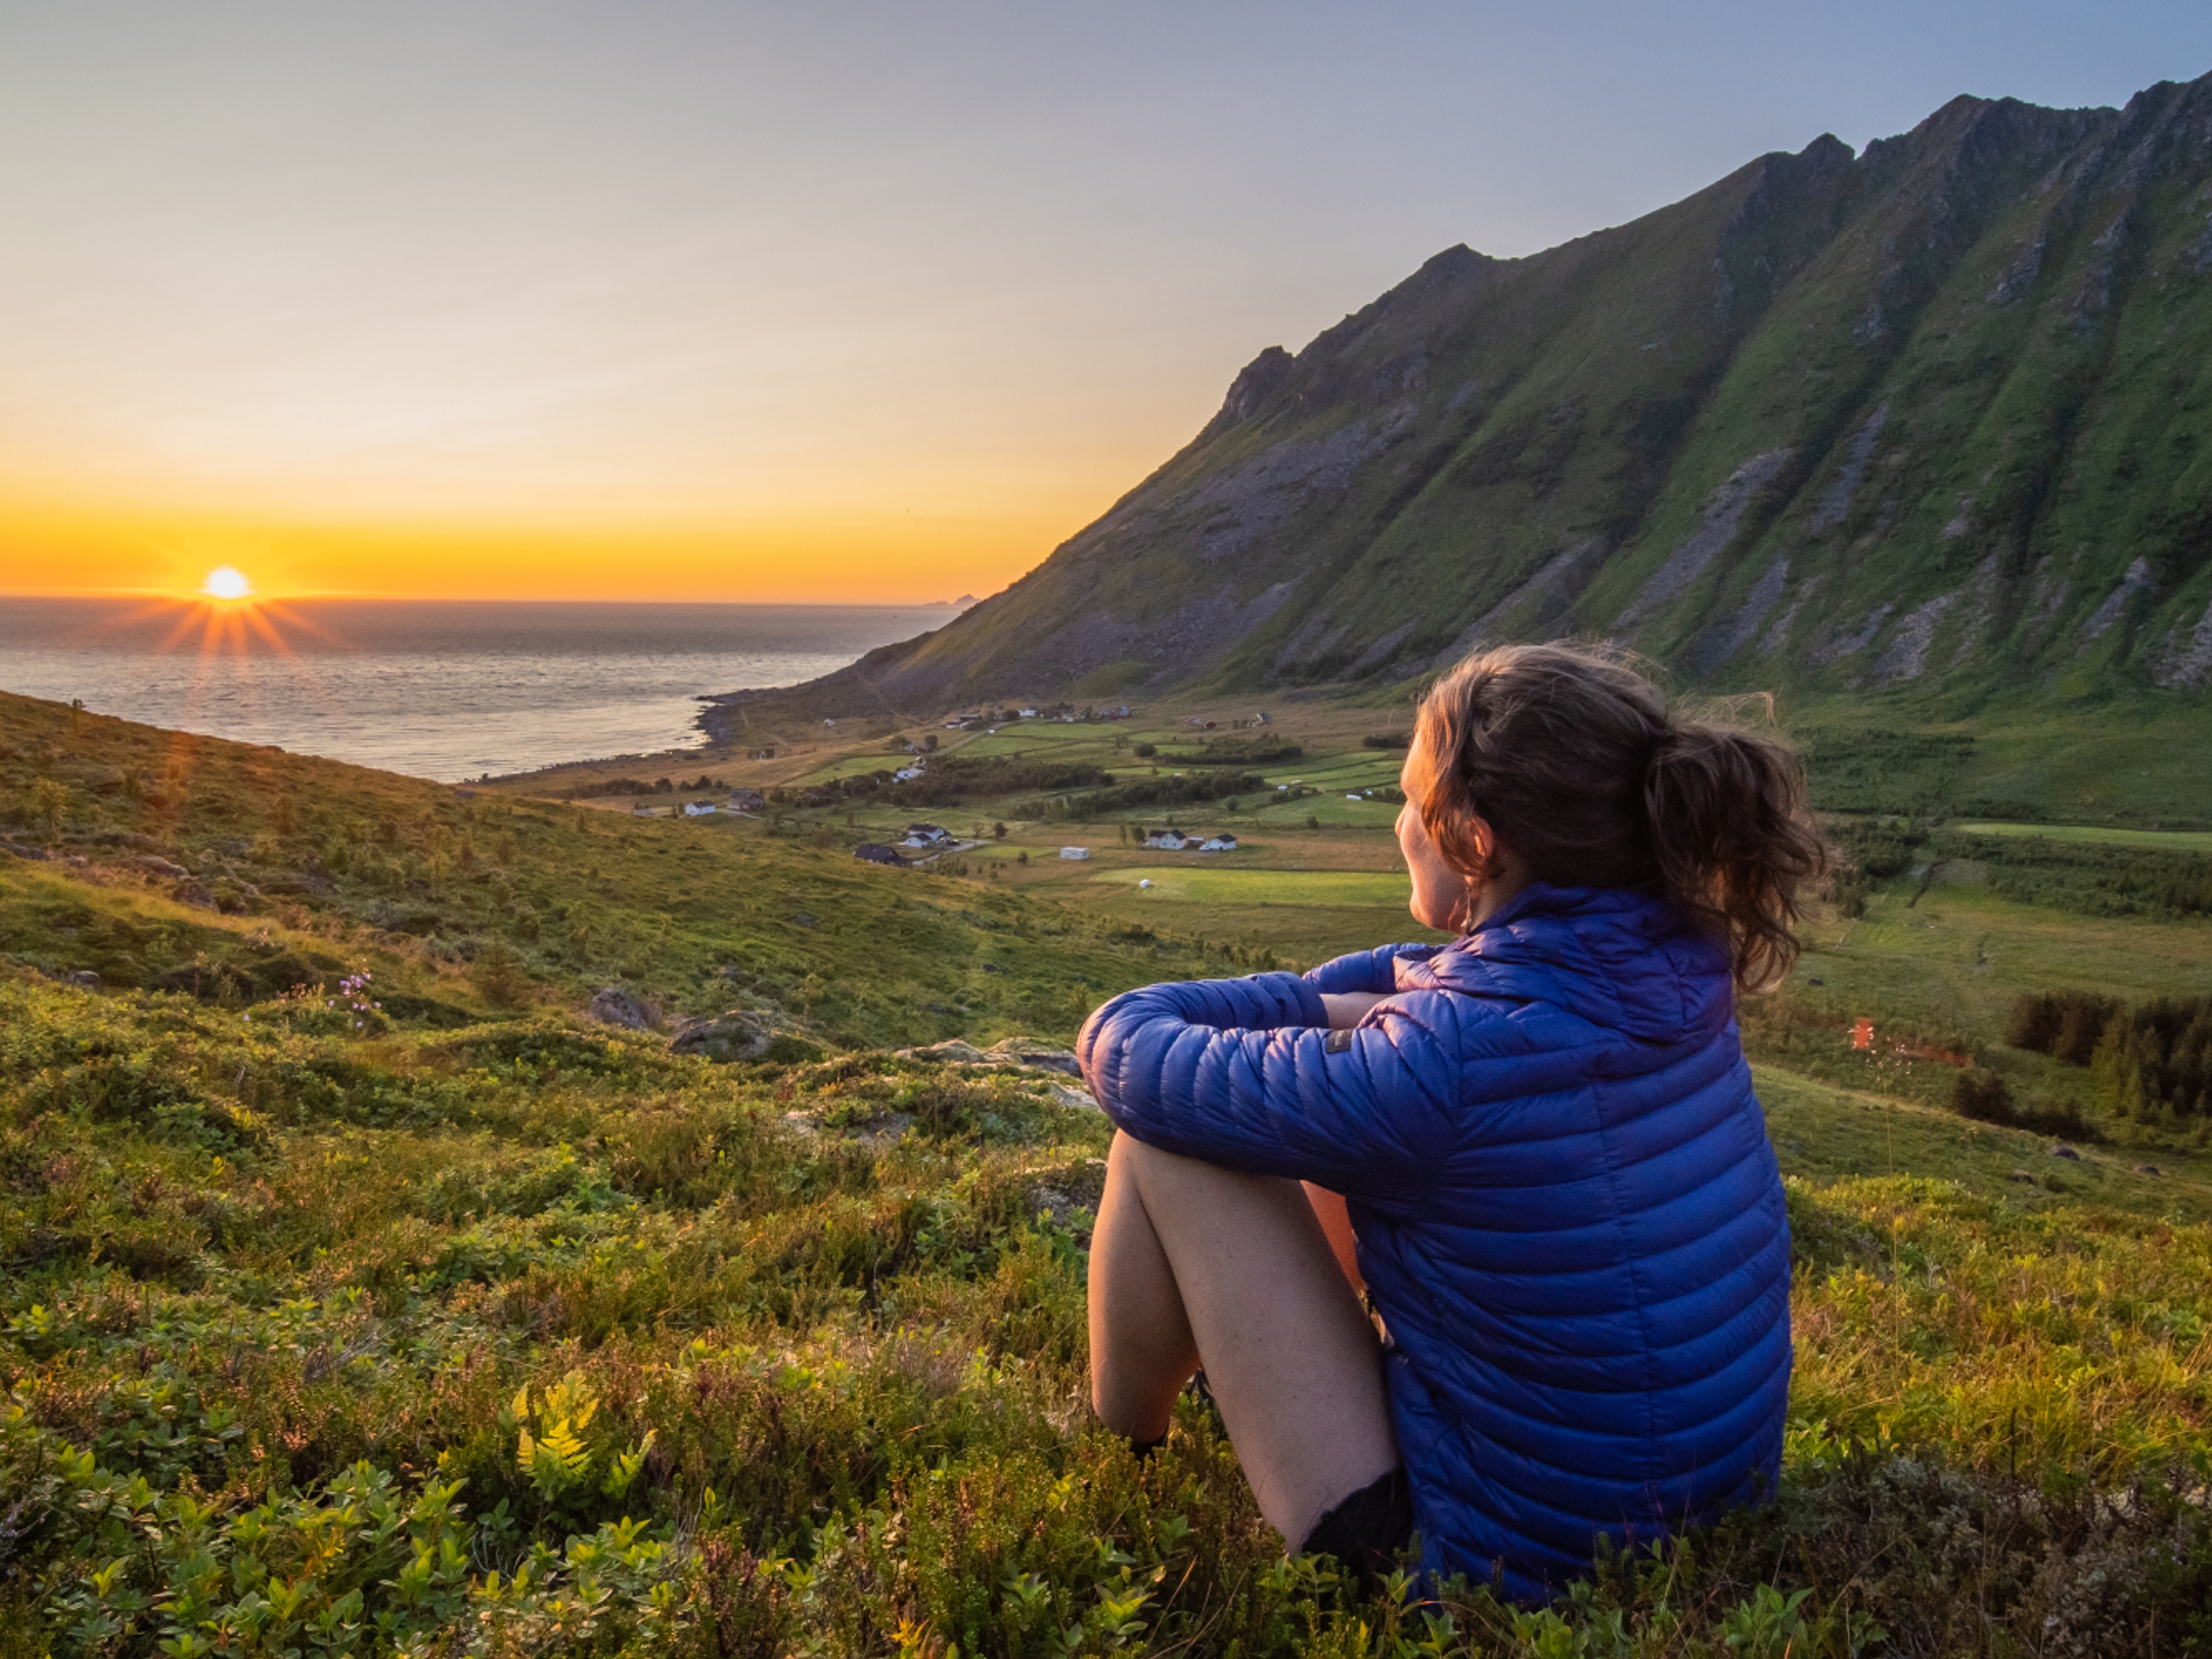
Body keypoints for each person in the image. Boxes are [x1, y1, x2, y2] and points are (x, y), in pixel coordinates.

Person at [1076, 642, 1827, 1601]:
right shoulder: (1678, 961)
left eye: (1409, 802)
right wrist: (1356, 1000)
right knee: (1335, 1124)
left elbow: (1130, 1053)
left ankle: (1119, 1452)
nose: (1399, 824)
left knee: (1165, 1143)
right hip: (1698, 1508)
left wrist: (1288, 1004)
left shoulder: (1448, 1060)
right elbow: (1446, 999)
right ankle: (1248, 1381)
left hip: (1487, 1567)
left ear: (1476, 842)